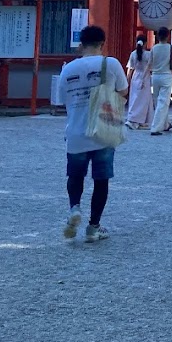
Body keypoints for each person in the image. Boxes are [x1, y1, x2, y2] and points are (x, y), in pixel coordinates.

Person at [59, 24, 129, 242]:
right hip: (103, 129)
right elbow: (124, 90)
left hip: (76, 131)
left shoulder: (68, 69)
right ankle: (94, 227)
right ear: (102, 43)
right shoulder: (111, 64)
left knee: (75, 175)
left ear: (81, 44)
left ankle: (74, 208)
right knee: (101, 180)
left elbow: (62, 99)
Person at [147, 26, 172, 136]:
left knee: (158, 101)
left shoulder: (154, 48)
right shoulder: (170, 48)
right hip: (166, 76)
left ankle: (166, 124)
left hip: (155, 76)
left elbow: (149, 64)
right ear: (168, 36)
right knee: (163, 102)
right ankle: (155, 127)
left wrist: (144, 77)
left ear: (157, 36)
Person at [123, 33, 152, 129]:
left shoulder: (133, 54)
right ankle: (141, 120)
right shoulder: (148, 54)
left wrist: (127, 80)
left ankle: (132, 118)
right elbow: (151, 68)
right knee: (144, 100)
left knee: (134, 99)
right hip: (145, 77)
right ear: (145, 43)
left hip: (135, 77)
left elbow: (130, 68)